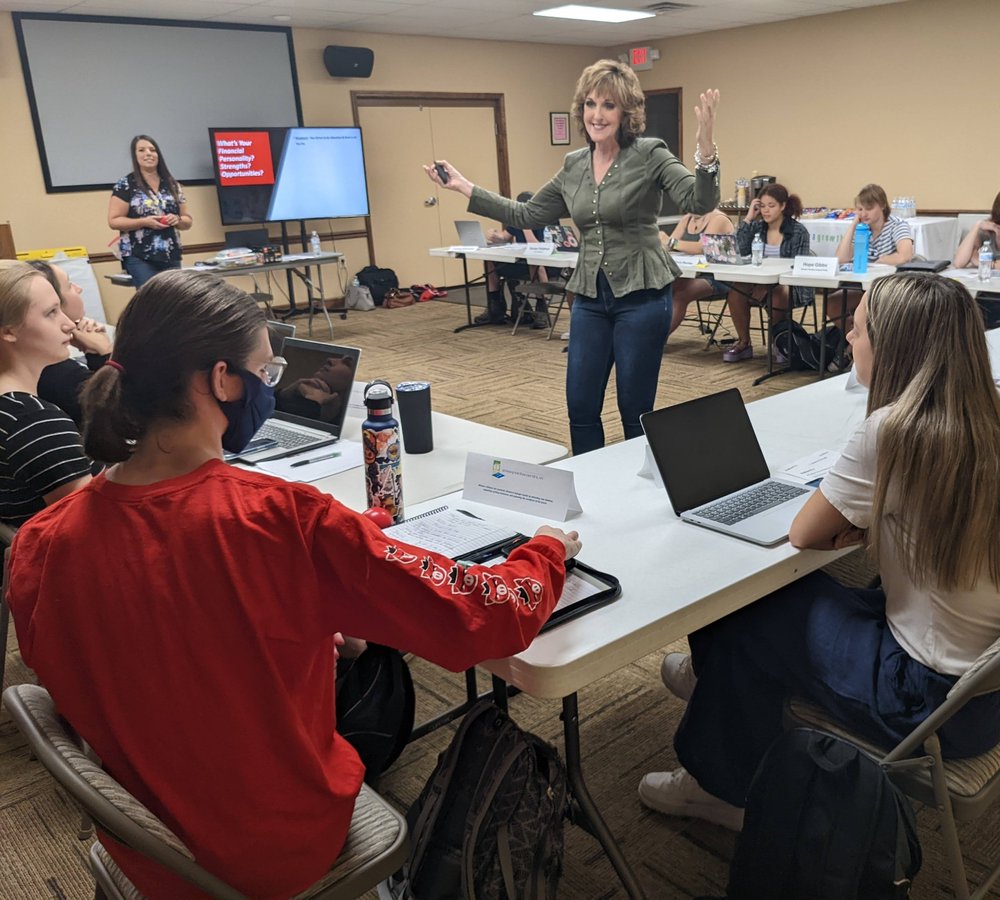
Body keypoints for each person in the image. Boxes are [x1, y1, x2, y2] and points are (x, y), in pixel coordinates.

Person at [7, 270, 582, 899]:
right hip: (273, 848)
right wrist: (547, 551)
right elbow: (484, 615)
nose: (269, 388)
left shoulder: (43, 539)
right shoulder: (281, 519)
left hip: (147, 846)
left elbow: (142, 633)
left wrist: (287, 621)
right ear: (221, 380)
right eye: (267, 372)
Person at [638, 272, 1000, 829]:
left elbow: (805, 534)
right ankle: (716, 687)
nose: (849, 340)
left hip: (935, 704)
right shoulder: (999, 413)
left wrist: (859, 522)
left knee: (747, 607)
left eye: (857, 330)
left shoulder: (895, 430)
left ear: (893, 347)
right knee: (791, 605)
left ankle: (720, 789)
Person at [425, 59, 720, 454]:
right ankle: (590, 486)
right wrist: (466, 187)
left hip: (643, 295)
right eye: (591, 104)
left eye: (609, 105)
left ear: (626, 112)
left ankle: (642, 496)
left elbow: (699, 200)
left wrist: (705, 148)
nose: (597, 115)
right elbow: (526, 214)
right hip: (590, 296)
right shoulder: (574, 165)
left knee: (634, 410)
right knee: (580, 406)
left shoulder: (650, 154)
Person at [0, 263, 93, 525]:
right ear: (9, 331)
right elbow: (94, 529)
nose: (67, 324)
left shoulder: (14, 411)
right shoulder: (35, 422)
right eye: (51, 313)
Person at [722, 184, 810, 363]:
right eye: (762, 206)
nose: (766, 210)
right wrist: (747, 219)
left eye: (771, 206)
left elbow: (799, 267)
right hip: (759, 281)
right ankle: (744, 342)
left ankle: (778, 343)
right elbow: (738, 251)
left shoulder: (798, 231)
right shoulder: (757, 227)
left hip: (790, 285)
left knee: (777, 293)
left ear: (783, 206)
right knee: (736, 292)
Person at [28, 260, 112, 427]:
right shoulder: (58, 373)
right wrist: (106, 353)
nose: (79, 289)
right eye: (69, 285)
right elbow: (126, 412)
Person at [107, 134, 192, 287]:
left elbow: (187, 220)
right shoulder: (125, 184)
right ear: (135, 156)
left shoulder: (172, 184)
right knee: (151, 302)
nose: (148, 153)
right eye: (141, 150)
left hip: (170, 253)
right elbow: (114, 221)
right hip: (139, 255)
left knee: (175, 301)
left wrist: (177, 220)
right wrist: (144, 222)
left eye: (152, 150)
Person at [828, 183, 915, 329]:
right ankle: (852, 343)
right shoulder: (861, 228)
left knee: (867, 310)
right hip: (861, 286)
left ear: (882, 205)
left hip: (887, 288)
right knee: (832, 303)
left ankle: (863, 345)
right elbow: (842, 259)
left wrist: (881, 260)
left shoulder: (897, 225)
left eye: (869, 209)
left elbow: (905, 256)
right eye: (860, 209)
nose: (863, 214)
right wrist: (853, 225)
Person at [474, 190, 554, 328]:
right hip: (519, 261)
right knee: (489, 260)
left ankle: (542, 308)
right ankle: (495, 306)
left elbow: (535, 244)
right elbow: (504, 237)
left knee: (534, 262)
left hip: (540, 262)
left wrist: (526, 226)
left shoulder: (540, 221)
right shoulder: (516, 221)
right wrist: (494, 236)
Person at [659, 208, 735, 335]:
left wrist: (670, 242)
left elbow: (701, 247)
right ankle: (648, 334)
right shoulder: (687, 219)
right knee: (663, 288)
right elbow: (668, 246)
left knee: (681, 293)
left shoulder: (718, 219)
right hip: (692, 273)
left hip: (717, 277)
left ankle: (658, 339)